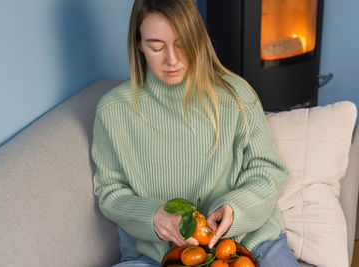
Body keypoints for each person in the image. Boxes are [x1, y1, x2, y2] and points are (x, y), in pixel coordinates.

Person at [91, 0, 298, 266]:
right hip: (160, 255)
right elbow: (110, 191)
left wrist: (236, 208)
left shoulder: (236, 95)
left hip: (250, 244)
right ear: (138, 44)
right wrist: (153, 217)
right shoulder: (113, 111)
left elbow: (268, 170)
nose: (172, 60)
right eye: (156, 46)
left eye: (182, 43)